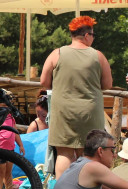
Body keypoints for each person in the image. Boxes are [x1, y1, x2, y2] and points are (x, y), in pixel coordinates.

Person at [39, 15, 113, 179]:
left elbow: (44, 81)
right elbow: (107, 84)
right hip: (89, 111)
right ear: (87, 35)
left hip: (63, 110)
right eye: (93, 35)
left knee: (64, 153)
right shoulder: (98, 56)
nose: (93, 38)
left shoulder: (56, 54)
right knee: (87, 154)